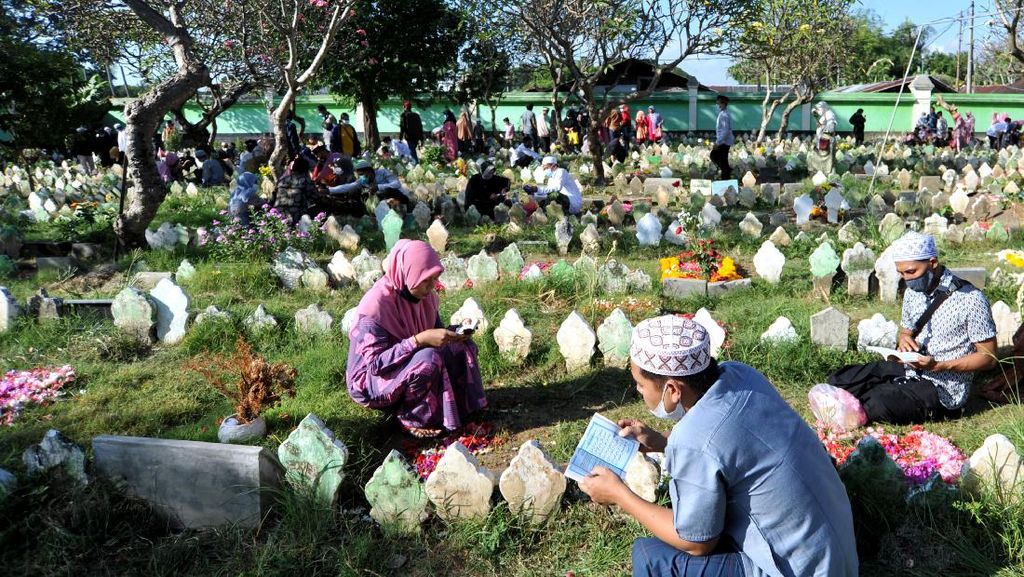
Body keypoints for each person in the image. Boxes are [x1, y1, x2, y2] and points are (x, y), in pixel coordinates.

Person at [579, 315, 858, 577]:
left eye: (640, 383)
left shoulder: (694, 440)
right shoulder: (740, 375)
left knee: (650, 556)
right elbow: (732, 444)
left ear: (673, 390)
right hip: (834, 554)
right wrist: (663, 442)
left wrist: (619, 495)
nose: (637, 390)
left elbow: (696, 544)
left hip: (796, 570)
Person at [821, 231, 997, 426]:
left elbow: (989, 359)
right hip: (909, 367)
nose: (907, 279)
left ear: (933, 263)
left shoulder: (971, 299)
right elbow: (907, 331)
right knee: (842, 378)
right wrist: (904, 340)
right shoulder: (913, 292)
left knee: (877, 402)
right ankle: (849, 401)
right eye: (901, 273)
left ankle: (854, 407)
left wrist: (939, 365)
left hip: (941, 387)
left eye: (911, 272)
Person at [346, 240, 487, 438]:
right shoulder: (376, 307)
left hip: (408, 362)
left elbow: (434, 333)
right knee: (428, 360)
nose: (432, 286)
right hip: (371, 382)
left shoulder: (424, 298)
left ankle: (465, 406)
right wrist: (418, 340)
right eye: (426, 280)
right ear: (408, 273)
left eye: (434, 278)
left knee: (461, 347)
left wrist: (455, 333)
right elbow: (375, 365)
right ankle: (411, 418)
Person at [327, 158, 409, 213]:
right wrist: (329, 190)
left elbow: (397, 184)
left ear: (369, 171)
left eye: (362, 174)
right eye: (359, 175)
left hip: (399, 197)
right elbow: (348, 186)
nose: (361, 177)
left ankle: (404, 208)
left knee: (386, 191)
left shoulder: (383, 172)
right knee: (357, 193)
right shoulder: (362, 181)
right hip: (385, 203)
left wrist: (378, 187)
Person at [274, 156, 316, 222]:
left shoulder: (282, 179)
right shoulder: (305, 180)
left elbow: (273, 197)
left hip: (278, 213)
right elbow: (315, 196)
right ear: (305, 169)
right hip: (296, 214)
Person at [711, 95, 733, 180]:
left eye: (719, 103)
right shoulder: (722, 113)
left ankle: (726, 174)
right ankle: (727, 172)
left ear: (724, 104)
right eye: (717, 103)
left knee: (715, 156)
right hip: (723, 140)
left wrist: (718, 142)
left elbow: (725, 130)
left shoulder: (724, 115)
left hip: (724, 141)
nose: (717, 105)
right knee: (722, 159)